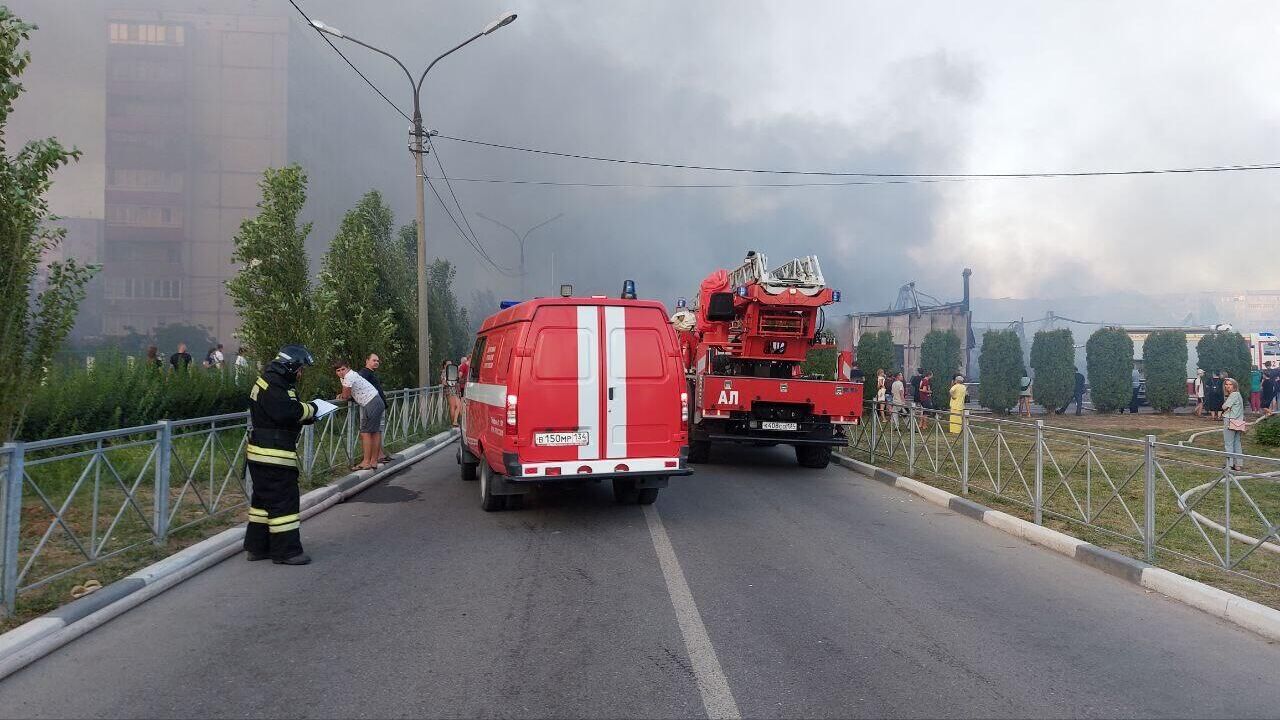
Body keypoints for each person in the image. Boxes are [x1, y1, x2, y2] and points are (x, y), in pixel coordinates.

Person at [244, 344, 319, 565]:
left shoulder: (267, 380)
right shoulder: (276, 385)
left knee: (262, 503)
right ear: (289, 366)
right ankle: (287, 552)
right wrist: (313, 409)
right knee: (284, 503)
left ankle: (258, 547)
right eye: (299, 369)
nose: (300, 373)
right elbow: (287, 412)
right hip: (274, 455)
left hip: (260, 454)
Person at [334, 359, 384, 471]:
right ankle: (373, 461)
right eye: (338, 370)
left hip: (371, 403)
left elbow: (346, 396)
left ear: (348, 368)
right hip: (374, 401)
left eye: (343, 369)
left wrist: (341, 396)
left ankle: (366, 462)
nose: (341, 372)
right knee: (374, 432)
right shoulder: (350, 376)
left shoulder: (348, 377)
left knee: (365, 433)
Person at [358, 353, 392, 464]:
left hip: (377, 405)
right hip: (372, 406)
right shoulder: (364, 373)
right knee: (373, 431)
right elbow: (359, 388)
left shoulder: (370, 373)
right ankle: (374, 457)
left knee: (377, 430)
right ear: (366, 361)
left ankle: (379, 455)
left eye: (377, 361)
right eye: (374, 360)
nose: (376, 362)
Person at [1222, 378, 1246, 471]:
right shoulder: (1239, 394)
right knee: (1237, 442)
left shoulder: (1233, 395)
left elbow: (1224, 407)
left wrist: (1226, 407)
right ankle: (1238, 464)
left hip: (1230, 420)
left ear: (1234, 385)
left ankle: (1229, 464)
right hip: (1239, 421)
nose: (1227, 386)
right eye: (1226, 384)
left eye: (1230, 384)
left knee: (1228, 443)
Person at [442, 359, 462, 426]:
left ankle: (455, 421)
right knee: (453, 406)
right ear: (445, 366)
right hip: (449, 390)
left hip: (454, 390)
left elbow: (456, 380)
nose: (450, 365)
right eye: (448, 364)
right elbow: (444, 382)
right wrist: (450, 383)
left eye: (451, 364)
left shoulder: (451, 371)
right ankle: (454, 422)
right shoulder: (444, 372)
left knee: (458, 405)